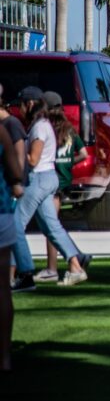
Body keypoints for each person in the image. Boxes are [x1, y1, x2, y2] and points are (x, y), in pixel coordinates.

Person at [10, 87, 90, 291]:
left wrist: (11, 155)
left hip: (39, 179)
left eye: (21, 104)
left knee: (16, 225)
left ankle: (24, 273)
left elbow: (33, 160)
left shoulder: (38, 127)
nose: (19, 109)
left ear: (29, 104)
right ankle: (75, 266)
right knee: (51, 226)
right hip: (49, 178)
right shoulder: (44, 125)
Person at [38, 92, 86, 283]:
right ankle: (74, 259)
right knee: (52, 224)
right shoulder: (69, 130)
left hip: (53, 180)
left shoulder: (48, 129)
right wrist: (68, 163)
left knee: (51, 226)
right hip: (65, 180)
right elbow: (83, 154)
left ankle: (54, 267)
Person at [0, 120, 24, 370]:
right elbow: (16, 171)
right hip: (1, 211)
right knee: (3, 289)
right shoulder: (2, 131)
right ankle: (4, 356)